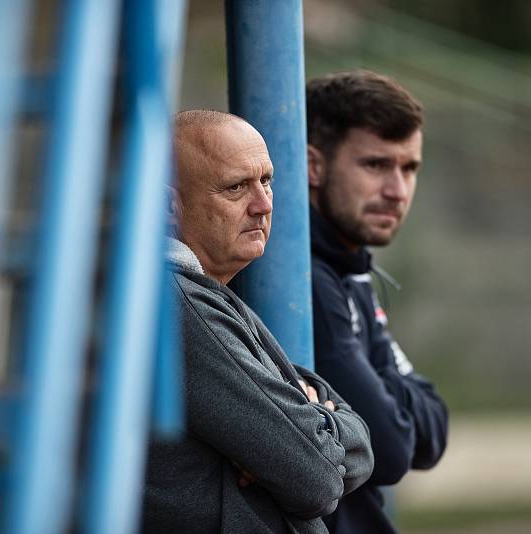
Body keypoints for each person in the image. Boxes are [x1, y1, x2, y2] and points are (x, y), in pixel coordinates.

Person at [142, 110, 374, 534]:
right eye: (235, 188)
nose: (263, 204)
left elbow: (364, 449)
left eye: (265, 181)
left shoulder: (205, 295)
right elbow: (316, 480)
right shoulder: (177, 305)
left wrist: (311, 428)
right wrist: (308, 428)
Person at [306, 70, 449, 534]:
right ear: (313, 166)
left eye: (409, 168)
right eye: (375, 165)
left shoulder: (353, 267)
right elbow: (390, 450)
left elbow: (434, 430)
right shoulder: (306, 279)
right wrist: (387, 375)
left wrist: (377, 372)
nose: (397, 191)